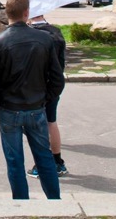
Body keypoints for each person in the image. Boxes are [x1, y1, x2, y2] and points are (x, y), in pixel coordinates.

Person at [0, 0, 64, 200]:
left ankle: (21, 203)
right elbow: (57, 78)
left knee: (14, 160)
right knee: (44, 156)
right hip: (36, 106)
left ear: (7, 13)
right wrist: (45, 99)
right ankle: (55, 201)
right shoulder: (44, 39)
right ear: (27, 13)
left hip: (9, 108)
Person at [26, 13, 68, 178]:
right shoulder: (56, 32)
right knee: (51, 122)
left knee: (38, 126)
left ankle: (43, 163)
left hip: (37, 86)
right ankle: (57, 161)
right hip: (54, 84)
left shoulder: (33, 35)